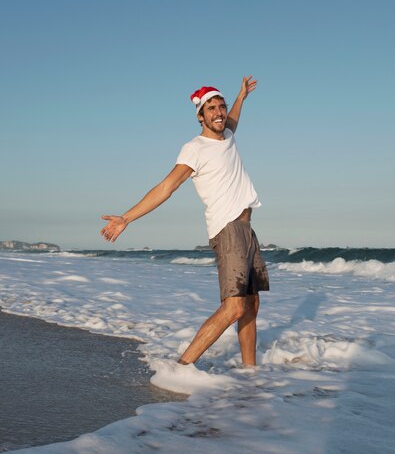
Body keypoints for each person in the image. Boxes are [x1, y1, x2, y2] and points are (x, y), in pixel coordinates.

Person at [101, 76, 269, 366]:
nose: (218, 112)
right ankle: (181, 368)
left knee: (251, 304)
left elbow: (232, 121)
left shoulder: (227, 135)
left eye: (221, 106)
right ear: (199, 115)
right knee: (233, 306)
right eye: (211, 108)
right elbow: (167, 187)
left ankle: (250, 376)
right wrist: (126, 217)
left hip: (246, 229)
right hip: (227, 229)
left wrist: (241, 97)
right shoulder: (194, 148)